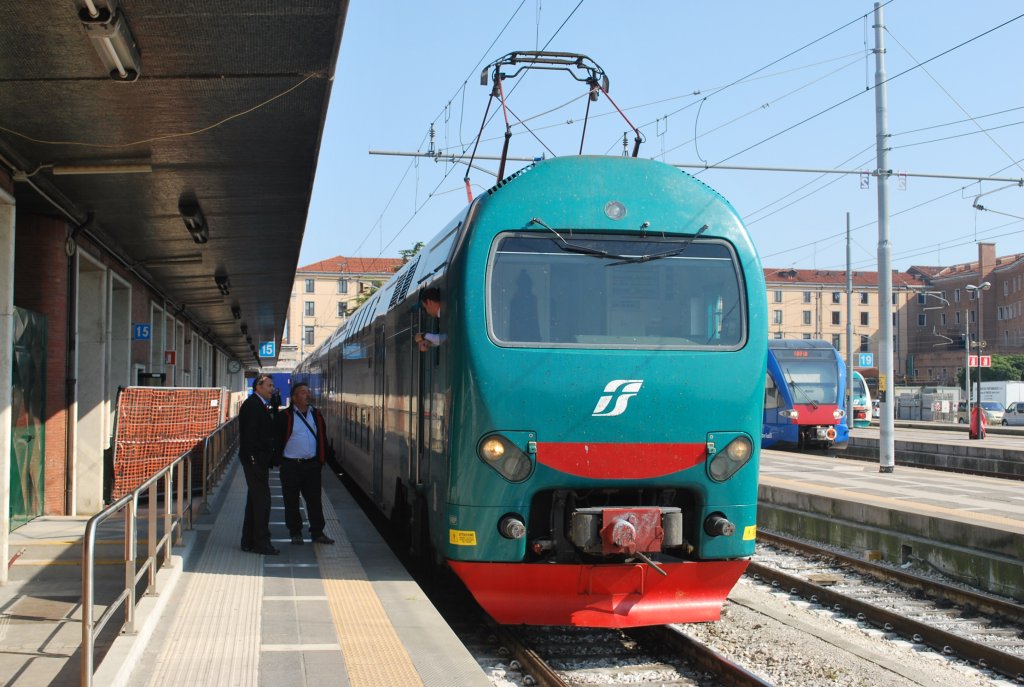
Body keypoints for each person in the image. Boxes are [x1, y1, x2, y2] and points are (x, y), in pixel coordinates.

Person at [275, 382, 335, 545]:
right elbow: (277, 439)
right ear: (294, 398)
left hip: (312, 466)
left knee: (315, 500)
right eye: (302, 392)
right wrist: (278, 460)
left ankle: (318, 532)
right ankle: (295, 533)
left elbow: (322, 436)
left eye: (308, 392)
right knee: (291, 501)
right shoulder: (285, 417)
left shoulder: (316, 414)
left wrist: (321, 459)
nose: (307, 394)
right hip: (291, 466)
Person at [238, 373, 280, 555]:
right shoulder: (253, 406)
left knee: (254, 501)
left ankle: (248, 541)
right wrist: (253, 458)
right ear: (258, 387)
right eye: (269, 386)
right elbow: (249, 434)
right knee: (263, 501)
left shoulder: (260, 405)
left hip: (257, 460)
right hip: (255, 460)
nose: (272, 389)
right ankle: (262, 543)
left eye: (272, 386)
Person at [414, 287, 447, 352]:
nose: (427, 311)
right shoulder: (445, 312)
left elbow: (445, 337)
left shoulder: (445, 314)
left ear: (429, 302)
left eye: (425, 307)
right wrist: (428, 343)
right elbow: (442, 339)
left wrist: (423, 336)